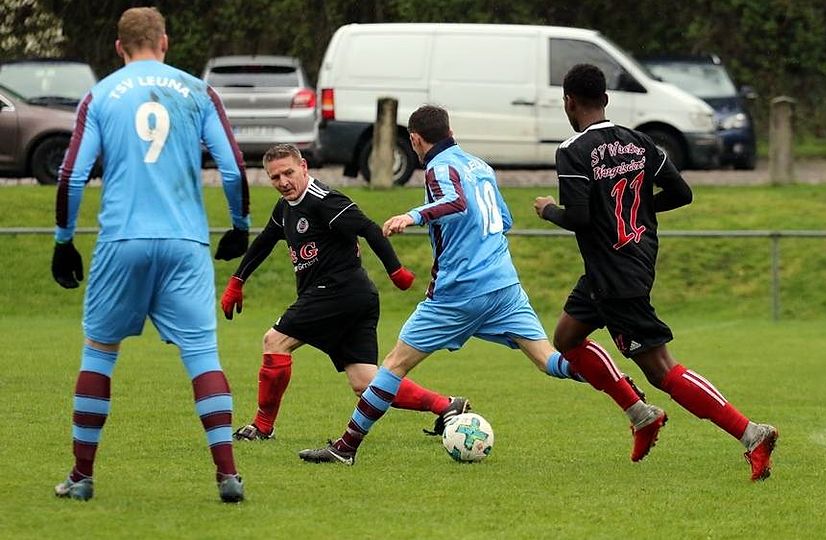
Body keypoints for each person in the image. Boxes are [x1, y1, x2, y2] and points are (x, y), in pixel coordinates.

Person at [298, 104, 664, 466]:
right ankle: (626, 394)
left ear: (415, 140)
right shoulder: (479, 165)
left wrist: (413, 216)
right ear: (450, 132)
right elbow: (504, 219)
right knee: (548, 360)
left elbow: (456, 203)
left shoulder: (438, 168)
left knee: (393, 366)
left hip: (458, 292)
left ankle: (345, 447)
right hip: (503, 285)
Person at [533, 63, 778, 481]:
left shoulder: (572, 150)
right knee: (567, 338)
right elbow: (681, 193)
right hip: (624, 263)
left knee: (662, 369)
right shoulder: (639, 141)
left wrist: (548, 210)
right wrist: (642, 208)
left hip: (616, 276)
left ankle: (752, 433)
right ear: (605, 99)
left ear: (568, 102)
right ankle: (640, 414)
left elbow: (579, 217)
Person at [51, 7, 250, 502]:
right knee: (202, 355)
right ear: (164, 42)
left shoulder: (100, 95)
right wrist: (239, 226)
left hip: (122, 239)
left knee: (99, 352)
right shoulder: (198, 91)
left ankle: (81, 477)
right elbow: (232, 166)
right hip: (185, 241)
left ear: (119, 47)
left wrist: (63, 240)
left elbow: (72, 174)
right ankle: (227, 475)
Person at [220, 143, 469, 441]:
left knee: (274, 341)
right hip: (355, 297)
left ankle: (262, 426)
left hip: (337, 291)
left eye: (288, 173)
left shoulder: (324, 200)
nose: (283, 182)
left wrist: (396, 271)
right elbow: (264, 241)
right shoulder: (285, 207)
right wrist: (237, 281)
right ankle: (446, 405)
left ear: (303, 167)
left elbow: (369, 228)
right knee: (366, 382)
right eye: (275, 177)